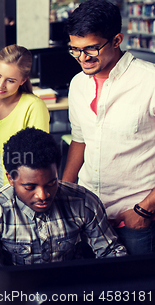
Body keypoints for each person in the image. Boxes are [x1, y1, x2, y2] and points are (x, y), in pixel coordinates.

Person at [0, 127, 126, 298]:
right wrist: (23, 298)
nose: (43, 195)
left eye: (51, 183)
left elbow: (112, 253)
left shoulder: (83, 202)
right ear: (10, 179)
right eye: (30, 187)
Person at [62, 0, 155, 254]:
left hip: (135, 219)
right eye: (75, 50)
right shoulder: (77, 84)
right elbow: (80, 140)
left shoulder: (150, 82)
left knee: (137, 292)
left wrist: (144, 209)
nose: (83, 58)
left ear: (116, 40)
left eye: (91, 49)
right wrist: (63, 194)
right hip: (87, 216)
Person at [0, 44, 49, 190]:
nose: (0, 85)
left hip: (17, 190)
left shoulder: (33, 106)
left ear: (23, 81)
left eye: (10, 80)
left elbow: (40, 159)